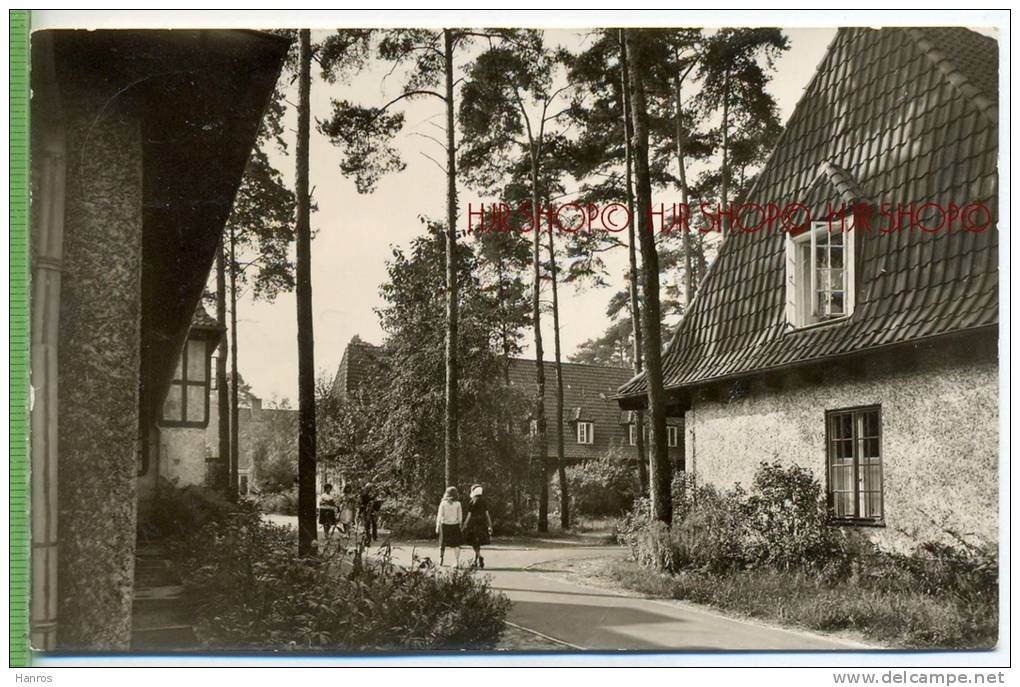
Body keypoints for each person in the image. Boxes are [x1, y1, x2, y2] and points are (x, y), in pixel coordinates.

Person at [462, 484, 493, 569]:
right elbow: (487, 515)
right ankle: (476, 561)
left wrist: (464, 525)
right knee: (477, 543)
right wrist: (490, 525)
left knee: (473, 542)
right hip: (482, 524)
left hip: (473, 524)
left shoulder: (472, 501)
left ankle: (479, 557)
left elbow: (469, 515)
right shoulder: (484, 502)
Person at [435, 486, 463, 567]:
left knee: (442, 543)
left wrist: (437, 525)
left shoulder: (443, 503)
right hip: (455, 525)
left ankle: (441, 558)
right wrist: (460, 525)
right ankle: (457, 562)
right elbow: (460, 516)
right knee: (456, 544)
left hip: (445, 525)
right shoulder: (458, 504)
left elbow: (439, 515)